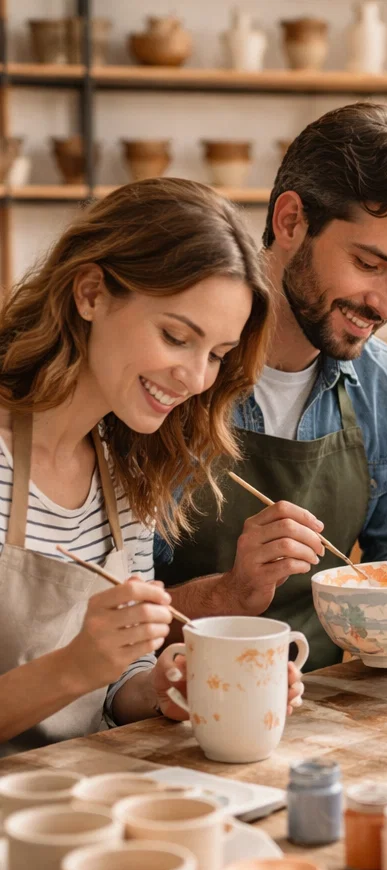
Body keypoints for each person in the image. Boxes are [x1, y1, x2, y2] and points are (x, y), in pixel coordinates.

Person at [156, 102, 387, 670]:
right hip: (176, 702)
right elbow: (103, 620)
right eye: (369, 264)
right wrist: (229, 593)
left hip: (329, 701)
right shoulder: (170, 377)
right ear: (291, 221)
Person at [0, 178, 302, 756]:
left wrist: (167, 688)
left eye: (216, 355)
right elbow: (80, 672)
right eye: (175, 336)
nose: (195, 378)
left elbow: (114, 688)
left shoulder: (125, 468)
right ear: (91, 293)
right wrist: (74, 666)